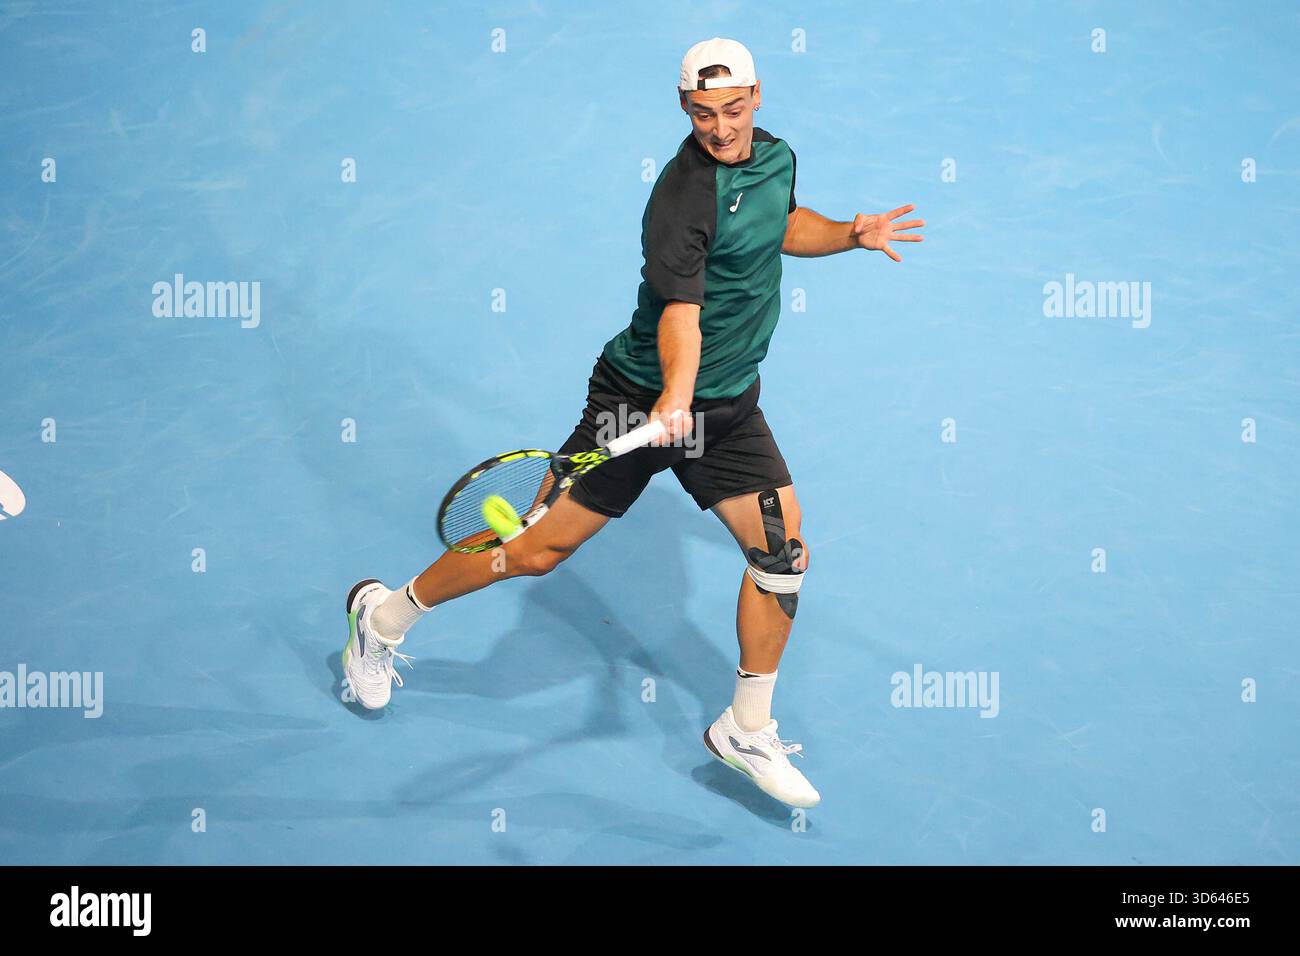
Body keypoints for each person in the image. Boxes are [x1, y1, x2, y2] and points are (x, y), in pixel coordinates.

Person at [340, 37, 924, 809]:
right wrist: (674, 396)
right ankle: (382, 618)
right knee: (533, 550)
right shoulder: (681, 199)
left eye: (734, 108)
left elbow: (783, 226)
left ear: (757, 96)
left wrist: (850, 233)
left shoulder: (775, 158)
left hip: (726, 407)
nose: (722, 127)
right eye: (704, 113)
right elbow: (680, 314)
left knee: (781, 553)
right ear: (684, 107)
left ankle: (746, 728)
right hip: (639, 399)